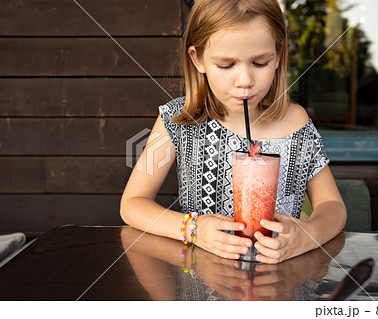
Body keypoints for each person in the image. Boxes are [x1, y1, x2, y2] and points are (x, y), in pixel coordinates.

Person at [120, 0, 346, 264]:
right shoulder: (176, 120)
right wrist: (194, 229)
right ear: (198, 59)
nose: (245, 81)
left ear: (278, 56)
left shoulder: (296, 122)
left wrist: (307, 235)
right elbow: (133, 203)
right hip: (202, 283)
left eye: (260, 62)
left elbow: (333, 206)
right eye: (226, 65)